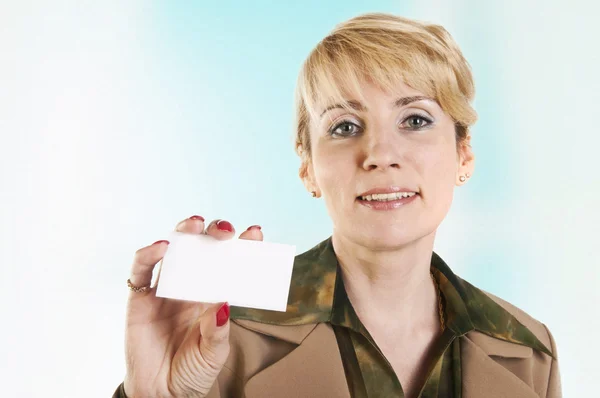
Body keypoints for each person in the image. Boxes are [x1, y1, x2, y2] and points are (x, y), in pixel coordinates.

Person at [113, 12, 562, 398]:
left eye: (416, 120)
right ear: (308, 167)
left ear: (463, 154)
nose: (380, 154)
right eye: (346, 127)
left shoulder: (528, 351)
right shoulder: (223, 337)